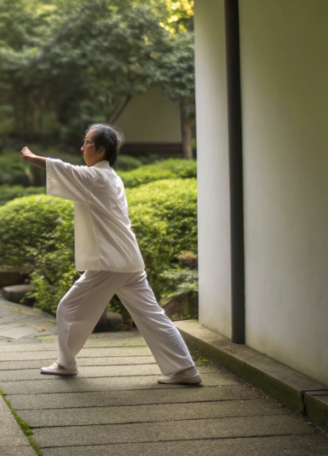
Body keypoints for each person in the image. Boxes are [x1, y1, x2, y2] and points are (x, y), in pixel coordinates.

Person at [20, 124, 201, 384]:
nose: (82, 147)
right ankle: (186, 370)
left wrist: (31, 157)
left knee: (69, 308)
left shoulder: (95, 177)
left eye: (87, 142)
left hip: (110, 261)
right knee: (152, 316)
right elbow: (68, 170)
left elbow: (63, 168)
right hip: (128, 259)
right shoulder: (110, 177)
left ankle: (66, 364)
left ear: (101, 149)